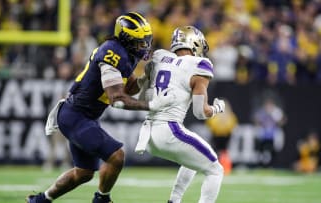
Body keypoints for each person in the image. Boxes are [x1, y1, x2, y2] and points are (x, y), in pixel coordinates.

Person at [26, 12, 174, 203]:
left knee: (84, 173)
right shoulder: (112, 53)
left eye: (146, 40)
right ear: (126, 39)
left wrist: (146, 77)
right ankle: (102, 199)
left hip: (83, 116)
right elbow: (117, 98)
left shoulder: (126, 53)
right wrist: (152, 105)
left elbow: (128, 88)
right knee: (117, 156)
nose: (145, 46)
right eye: (140, 41)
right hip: (75, 116)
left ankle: (41, 200)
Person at [135, 26, 225, 203]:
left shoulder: (160, 57)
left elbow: (142, 95)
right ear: (194, 43)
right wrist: (217, 109)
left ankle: (174, 201)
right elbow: (200, 112)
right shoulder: (198, 65)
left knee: (191, 158)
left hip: (148, 134)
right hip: (169, 130)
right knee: (215, 169)